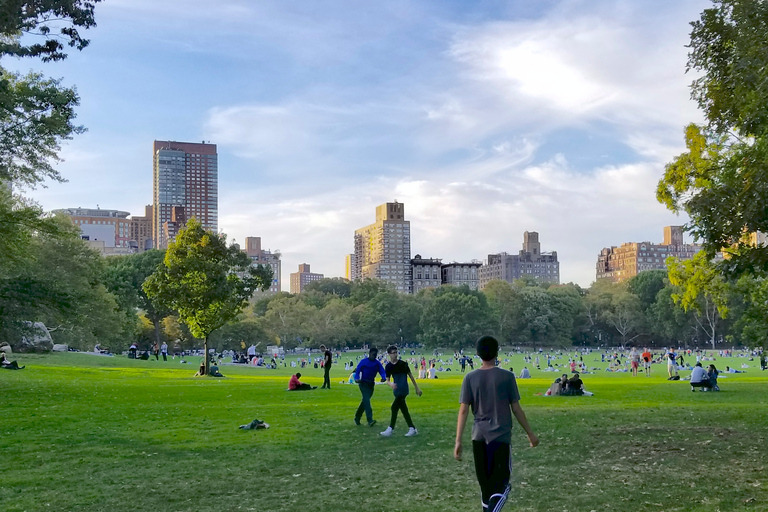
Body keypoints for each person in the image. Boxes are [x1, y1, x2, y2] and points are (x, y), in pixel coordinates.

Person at [455, 335, 539, 512]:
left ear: (477, 353)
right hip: (500, 437)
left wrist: (458, 441)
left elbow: (463, 410)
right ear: (497, 353)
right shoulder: (506, 377)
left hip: (478, 437)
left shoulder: (470, 378)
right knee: (502, 487)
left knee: (486, 490)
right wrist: (530, 433)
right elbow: (516, 408)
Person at [380, 345, 422, 437]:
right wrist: (390, 384)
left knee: (394, 407)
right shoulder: (388, 366)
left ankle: (390, 429)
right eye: (393, 353)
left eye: (396, 352)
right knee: (403, 409)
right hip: (396, 390)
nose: (395, 354)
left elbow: (411, 376)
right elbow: (387, 380)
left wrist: (417, 388)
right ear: (389, 354)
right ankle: (412, 428)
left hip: (403, 389)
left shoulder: (403, 364)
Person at [353, 347, 387, 426]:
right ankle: (370, 420)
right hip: (363, 383)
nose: (374, 356)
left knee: (365, 401)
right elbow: (357, 371)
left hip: (371, 384)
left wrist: (383, 377)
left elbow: (382, 371)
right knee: (367, 401)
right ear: (369, 354)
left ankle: (357, 418)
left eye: (375, 355)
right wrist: (357, 379)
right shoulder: (363, 362)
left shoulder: (377, 363)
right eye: (373, 354)